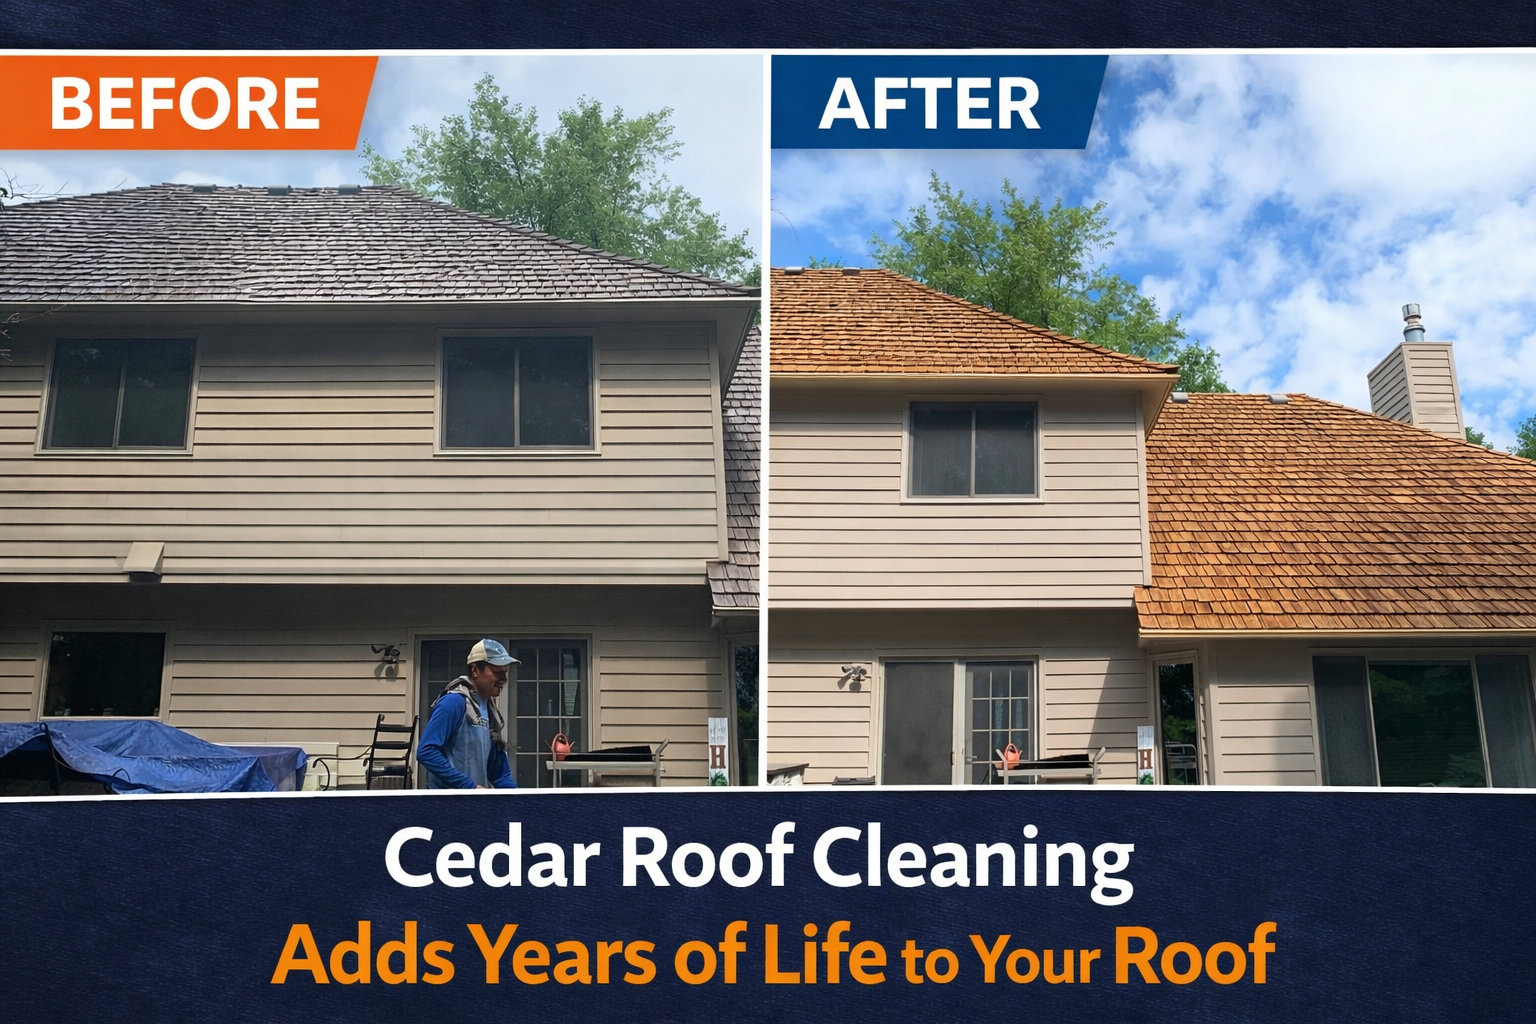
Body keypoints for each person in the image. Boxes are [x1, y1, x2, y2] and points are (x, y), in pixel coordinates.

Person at [418, 639, 518, 789]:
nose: (503, 679)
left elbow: (499, 773)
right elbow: (426, 751)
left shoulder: (489, 711)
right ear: (475, 670)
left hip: (474, 804)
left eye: (504, 672)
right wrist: (468, 787)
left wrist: (517, 801)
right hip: (446, 805)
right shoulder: (453, 703)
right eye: (497, 672)